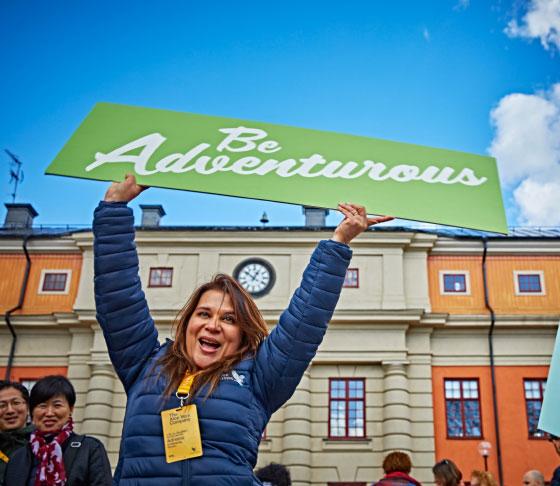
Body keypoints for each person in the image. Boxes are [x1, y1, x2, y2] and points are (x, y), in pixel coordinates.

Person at [93, 174, 393, 485]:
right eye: (204, 314)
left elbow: (305, 322)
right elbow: (118, 298)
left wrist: (339, 242)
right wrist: (114, 209)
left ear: (242, 335)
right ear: (188, 323)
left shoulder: (259, 377)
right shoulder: (145, 364)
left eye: (228, 319)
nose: (213, 325)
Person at [4, 375, 112, 486]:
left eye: (57, 405)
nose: (49, 413)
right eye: (42, 406)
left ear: (71, 409)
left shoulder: (90, 449)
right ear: (32, 412)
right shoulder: (17, 457)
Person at [0, 381, 33, 485]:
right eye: (2, 405)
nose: (10, 410)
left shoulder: (44, 445)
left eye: (16, 403)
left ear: (28, 408)